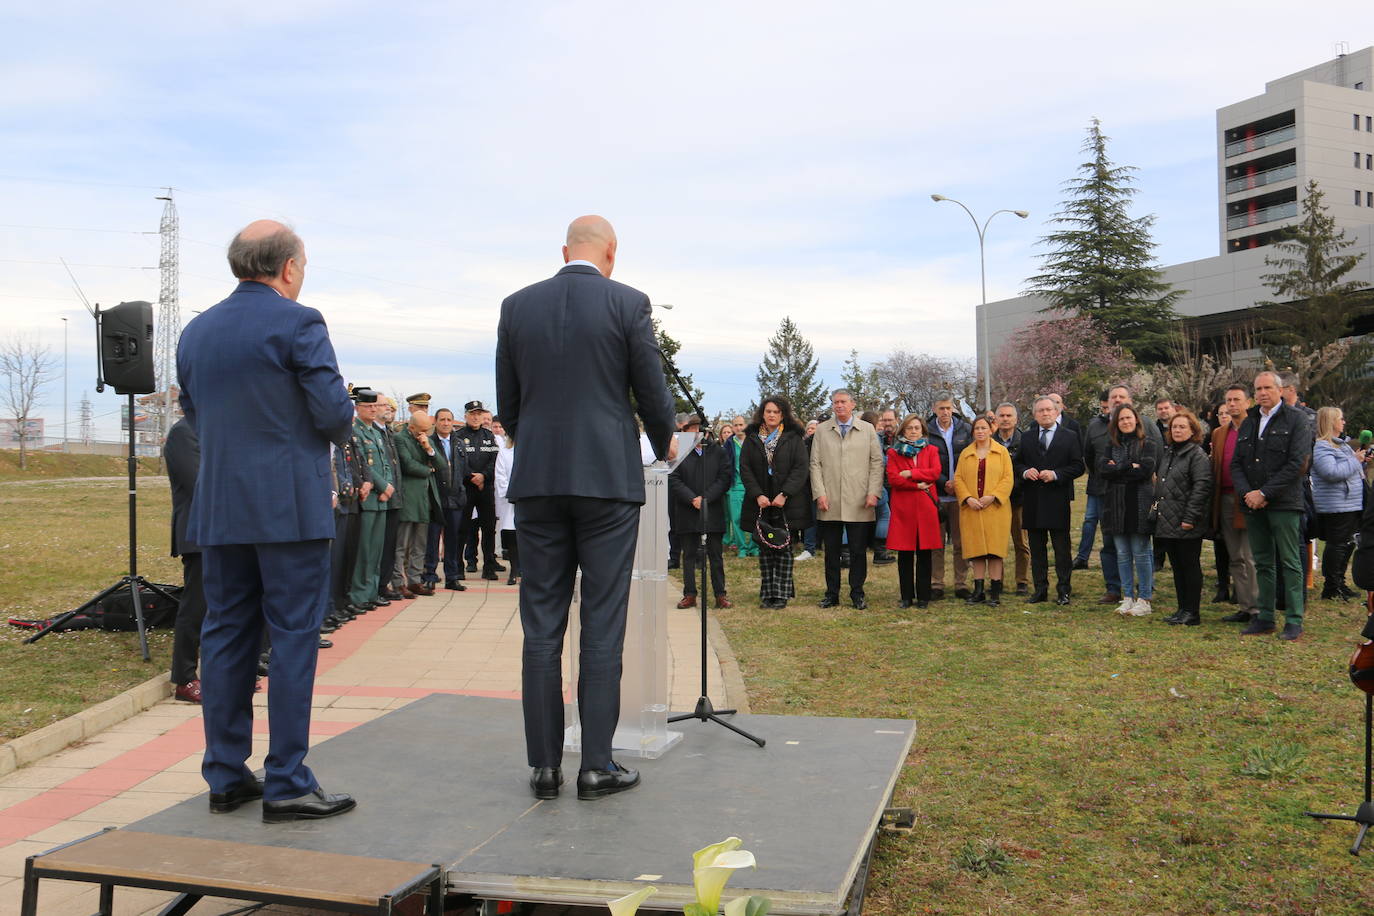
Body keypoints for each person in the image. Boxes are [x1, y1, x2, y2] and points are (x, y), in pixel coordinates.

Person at [176, 219, 356, 822]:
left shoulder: (196, 331)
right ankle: (286, 779)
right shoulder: (299, 321)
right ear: (288, 268)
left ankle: (225, 775)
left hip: (222, 506)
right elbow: (333, 414)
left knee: (225, 634)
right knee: (292, 638)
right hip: (290, 510)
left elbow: (194, 414)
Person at [496, 214, 676, 801]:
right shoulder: (628, 303)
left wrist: (536, 442)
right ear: (611, 254)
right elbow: (649, 384)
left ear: (564, 250)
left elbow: (509, 400)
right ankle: (596, 765)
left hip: (540, 480)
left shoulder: (517, 306)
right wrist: (663, 432)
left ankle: (544, 766)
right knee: (603, 620)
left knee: (540, 626)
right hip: (605, 479)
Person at [1231, 371, 1313, 640]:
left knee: (1290, 562)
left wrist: (1265, 492)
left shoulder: (1297, 420)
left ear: (1281, 390)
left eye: (1267, 388)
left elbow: (1296, 464)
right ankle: (1265, 617)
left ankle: (1294, 620)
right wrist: (1248, 494)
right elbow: (1237, 463)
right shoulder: (1250, 420)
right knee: (1263, 562)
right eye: (1258, 389)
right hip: (1253, 505)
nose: (1262, 393)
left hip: (1285, 503)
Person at [810, 389, 885, 610]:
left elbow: (876, 463)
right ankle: (832, 593)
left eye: (843, 402)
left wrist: (873, 492)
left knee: (858, 551)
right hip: (829, 500)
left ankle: (857, 593)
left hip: (860, 499)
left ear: (852, 404)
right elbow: (815, 464)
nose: (839, 405)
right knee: (831, 551)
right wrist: (819, 493)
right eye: (835, 402)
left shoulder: (867, 429)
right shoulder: (822, 431)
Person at [738, 398, 810, 609]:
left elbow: (800, 468)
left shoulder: (793, 437)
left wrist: (785, 494)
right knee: (765, 548)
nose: (771, 415)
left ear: (782, 415)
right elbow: (745, 469)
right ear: (762, 413)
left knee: (783, 548)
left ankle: (781, 594)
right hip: (761, 502)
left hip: (786, 502)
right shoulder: (752, 438)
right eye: (768, 411)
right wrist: (757, 494)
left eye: (776, 412)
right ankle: (767, 593)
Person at [1015, 396, 1085, 605]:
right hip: (1033, 500)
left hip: (1057, 499)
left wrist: (1056, 474)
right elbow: (1017, 464)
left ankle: (1064, 590)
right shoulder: (1026, 437)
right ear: (1035, 414)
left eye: (1048, 410)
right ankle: (1040, 589)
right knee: (1037, 548)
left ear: (1057, 412)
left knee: (1061, 548)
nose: (1045, 413)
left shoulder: (1069, 436)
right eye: (1040, 411)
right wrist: (1026, 472)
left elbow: (1078, 466)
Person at [1099, 404, 1160, 616]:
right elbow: (1102, 470)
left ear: (1136, 420)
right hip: (1116, 505)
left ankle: (1144, 598)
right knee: (1123, 554)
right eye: (1121, 419)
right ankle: (1127, 597)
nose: (1126, 422)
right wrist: (1128, 466)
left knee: (1141, 553)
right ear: (1116, 423)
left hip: (1139, 503)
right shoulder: (1110, 445)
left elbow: (1145, 471)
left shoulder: (1148, 443)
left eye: (1129, 418)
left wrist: (1118, 467)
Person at [1153, 410, 1213, 626]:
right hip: (1168, 519)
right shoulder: (1169, 453)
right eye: (1174, 427)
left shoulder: (1196, 455)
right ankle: (1182, 609)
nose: (1177, 430)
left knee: (1189, 566)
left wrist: (1190, 517)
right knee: (1177, 566)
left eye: (1182, 427)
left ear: (1192, 431)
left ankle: (1192, 612)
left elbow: (1201, 489)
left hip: (1187, 521)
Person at [164, 417, 205, 704]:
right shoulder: (183, 432)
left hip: (230, 533)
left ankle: (219, 673)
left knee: (225, 609)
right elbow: (199, 483)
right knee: (196, 608)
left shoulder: (215, 427)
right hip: (200, 533)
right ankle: (184, 678)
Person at [1211, 385, 1260, 626]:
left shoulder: (1258, 429)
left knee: (1250, 555)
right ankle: (1245, 605)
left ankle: (1258, 609)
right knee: (1235, 556)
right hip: (1226, 499)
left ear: (1248, 403)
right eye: (1228, 400)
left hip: (1251, 499)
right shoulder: (1220, 433)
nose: (1232, 404)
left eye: (1237, 400)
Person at [670, 425, 733, 610]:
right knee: (688, 555)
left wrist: (706, 498)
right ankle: (689, 594)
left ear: (706, 432)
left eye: (698, 430)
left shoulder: (718, 452)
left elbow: (725, 478)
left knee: (715, 555)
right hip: (687, 510)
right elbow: (673, 479)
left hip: (711, 510)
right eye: (690, 431)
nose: (695, 434)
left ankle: (720, 595)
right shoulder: (680, 453)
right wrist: (692, 498)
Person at [955, 416, 1014, 607]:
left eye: (983, 428)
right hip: (972, 510)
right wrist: (967, 498)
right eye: (977, 428)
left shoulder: (1002, 452)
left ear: (991, 430)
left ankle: (995, 592)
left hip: (995, 509)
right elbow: (958, 479)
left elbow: (1007, 478)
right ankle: (978, 590)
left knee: (994, 551)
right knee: (977, 551)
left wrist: (993, 496)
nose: (980, 431)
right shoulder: (966, 454)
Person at [885, 414, 942, 608]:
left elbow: (935, 472)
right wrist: (916, 485)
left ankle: (924, 597)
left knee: (925, 554)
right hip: (904, 508)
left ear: (923, 430)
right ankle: (906, 596)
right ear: (903, 431)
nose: (913, 431)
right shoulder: (894, 453)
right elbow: (893, 479)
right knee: (905, 555)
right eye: (909, 428)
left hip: (926, 508)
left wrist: (911, 473)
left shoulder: (932, 450)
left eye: (917, 428)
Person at [1312, 406, 1369, 600]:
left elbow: (1348, 468)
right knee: (1337, 545)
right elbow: (1331, 473)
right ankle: (1331, 587)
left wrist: (1360, 460)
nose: (1344, 422)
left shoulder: (1341, 445)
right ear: (1331, 422)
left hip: (1350, 503)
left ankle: (1340, 583)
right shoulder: (1322, 446)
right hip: (1336, 504)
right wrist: (1355, 461)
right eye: (1341, 419)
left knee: (1348, 544)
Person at [347, 389, 394, 611]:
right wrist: (384, 486)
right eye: (368, 406)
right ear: (358, 407)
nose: (374, 409)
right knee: (364, 550)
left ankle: (372, 590)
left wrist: (389, 486)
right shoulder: (355, 432)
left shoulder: (375, 432)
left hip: (382, 499)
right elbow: (365, 466)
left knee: (376, 550)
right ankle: (359, 594)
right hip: (369, 497)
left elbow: (385, 463)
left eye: (376, 406)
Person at [392, 410, 446, 599]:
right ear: (411, 426)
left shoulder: (426, 439)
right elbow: (407, 465)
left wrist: (428, 449)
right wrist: (428, 469)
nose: (426, 433)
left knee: (419, 544)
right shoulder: (400, 439)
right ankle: (398, 582)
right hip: (408, 498)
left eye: (428, 429)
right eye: (422, 430)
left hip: (425, 499)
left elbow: (441, 464)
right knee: (401, 544)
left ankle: (415, 580)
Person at [929, 394, 972, 599]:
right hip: (937, 494)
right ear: (934, 409)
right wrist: (943, 482)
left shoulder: (965, 429)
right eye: (941, 408)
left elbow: (971, 459)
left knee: (960, 542)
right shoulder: (928, 431)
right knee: (936, 544)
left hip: (960, 495)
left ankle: (961, 582)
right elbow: (928, 463)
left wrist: (958, 484)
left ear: (953, 408)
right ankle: (936, 583)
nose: (945, 412)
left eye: (948, 408)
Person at [455, 400, 502, 580]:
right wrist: (472, 477)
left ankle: (489, 567)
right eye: (472, 414)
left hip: (486, 488)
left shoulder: (489, 436)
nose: (476, 417)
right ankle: (458, 567)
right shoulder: (458, 436)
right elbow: (459, 462)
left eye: (479, 414)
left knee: (489, 529)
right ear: (466, 415)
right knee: (463, 529)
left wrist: (483, 476)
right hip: (466, 488)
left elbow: (495, 460)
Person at [426, 407, 468, 591]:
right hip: (436, 499)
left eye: (449, 420)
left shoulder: (459, 443)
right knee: (432, 539)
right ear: (435, 422)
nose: (445, 423)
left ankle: (452, 576)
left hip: (455, 498)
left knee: (453, 539)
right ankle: (429, 574)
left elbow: (463, 468)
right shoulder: (428, 442)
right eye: (442, 419)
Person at [992, 402, 1030, 595]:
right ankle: (997, 580)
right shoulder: (989, 441)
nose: (1005, 419)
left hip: (1018, 499)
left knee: (1021, 543)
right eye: (1002, 416)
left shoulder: (1026, 441)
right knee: (996, 542)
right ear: (996, 419)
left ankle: (1022, 581)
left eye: (1009, 416)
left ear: (1016, 419)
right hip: (996, 501)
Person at [723, 415, 757, 560]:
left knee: (755, 518)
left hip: (753, 486)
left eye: (741, 424)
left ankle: (754, 547)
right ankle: (742, 547)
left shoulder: (754, 441)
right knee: (736, 519)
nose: (738, 427)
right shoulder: (729, 444)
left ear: (746, 425)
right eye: (735, 425)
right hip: (735, 487)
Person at [494, 429, 519, 586]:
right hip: (510, 500)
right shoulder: (505, 452)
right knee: (511, 536)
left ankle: (527, 570)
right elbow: (500, 475)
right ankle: (514, 570)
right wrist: (511, 493)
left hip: (529, 499)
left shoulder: (533, 449)